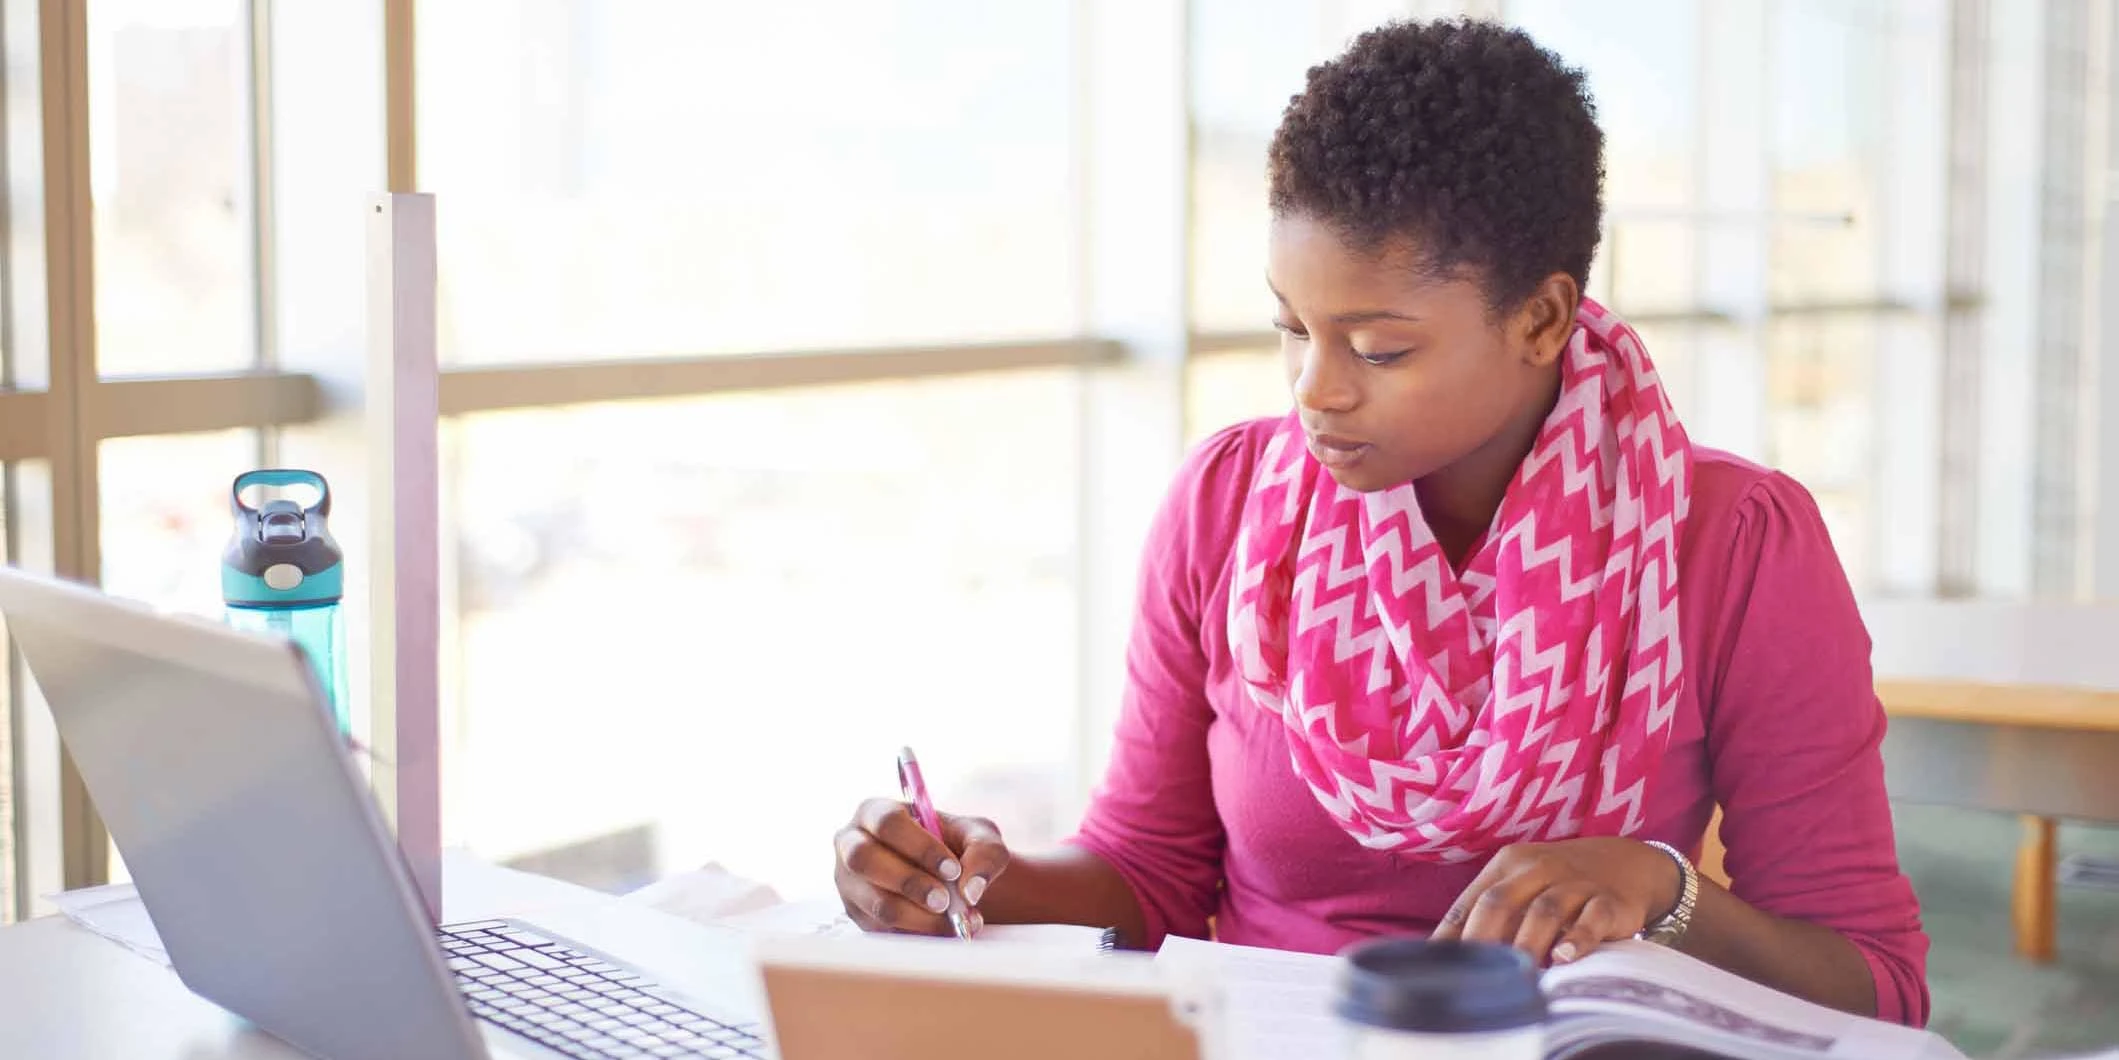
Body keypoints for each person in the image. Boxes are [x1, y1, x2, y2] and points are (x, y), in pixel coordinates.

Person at [831, 17, 1929, 1026]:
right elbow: (1150, 875)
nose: (1315, 390)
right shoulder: (1225, 510)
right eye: (1291, 328)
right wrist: (971, 878)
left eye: (1379, 348)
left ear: (1541, 318)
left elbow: (1872, 982)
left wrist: (1660, 889)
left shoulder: (1730, 543)